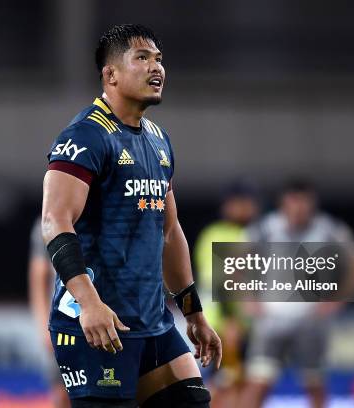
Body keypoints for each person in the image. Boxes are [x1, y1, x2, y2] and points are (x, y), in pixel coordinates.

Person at [41, 24, 221, 407]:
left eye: (158, 59)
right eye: (142, 58)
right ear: (111, 75)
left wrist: (193, 314)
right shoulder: (85, 136)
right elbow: (55, 221)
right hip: (96, 326)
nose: (156, 67)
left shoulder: (158, 139)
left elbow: (169, 232)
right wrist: (89, 303)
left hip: (153, 323)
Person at [240, 179, 354, 408]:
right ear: (283, 204)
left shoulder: (327, 229)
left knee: (315, 385)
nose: (298, 210)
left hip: (311, 319)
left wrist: (337, 299)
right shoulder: (265, 228)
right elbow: (235, 262)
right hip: (272, 318)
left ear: (312, 204)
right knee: (258, 384)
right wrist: (248, 297)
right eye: (293, 203)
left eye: (304, 204)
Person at [193, 181, 259, 406]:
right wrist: (229, 320)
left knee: (241, 382)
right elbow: (218, 282)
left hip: (244, 324)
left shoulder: (253, 233)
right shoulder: (216, 234)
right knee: (225, 383)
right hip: (222, 325)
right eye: (241, 203)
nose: (247, 208)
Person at [28, 218, 71, 408]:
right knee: (61, 393)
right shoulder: (48, 221)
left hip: (99, 317)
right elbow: (38, 276)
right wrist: (43, 324)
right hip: (62, 322)